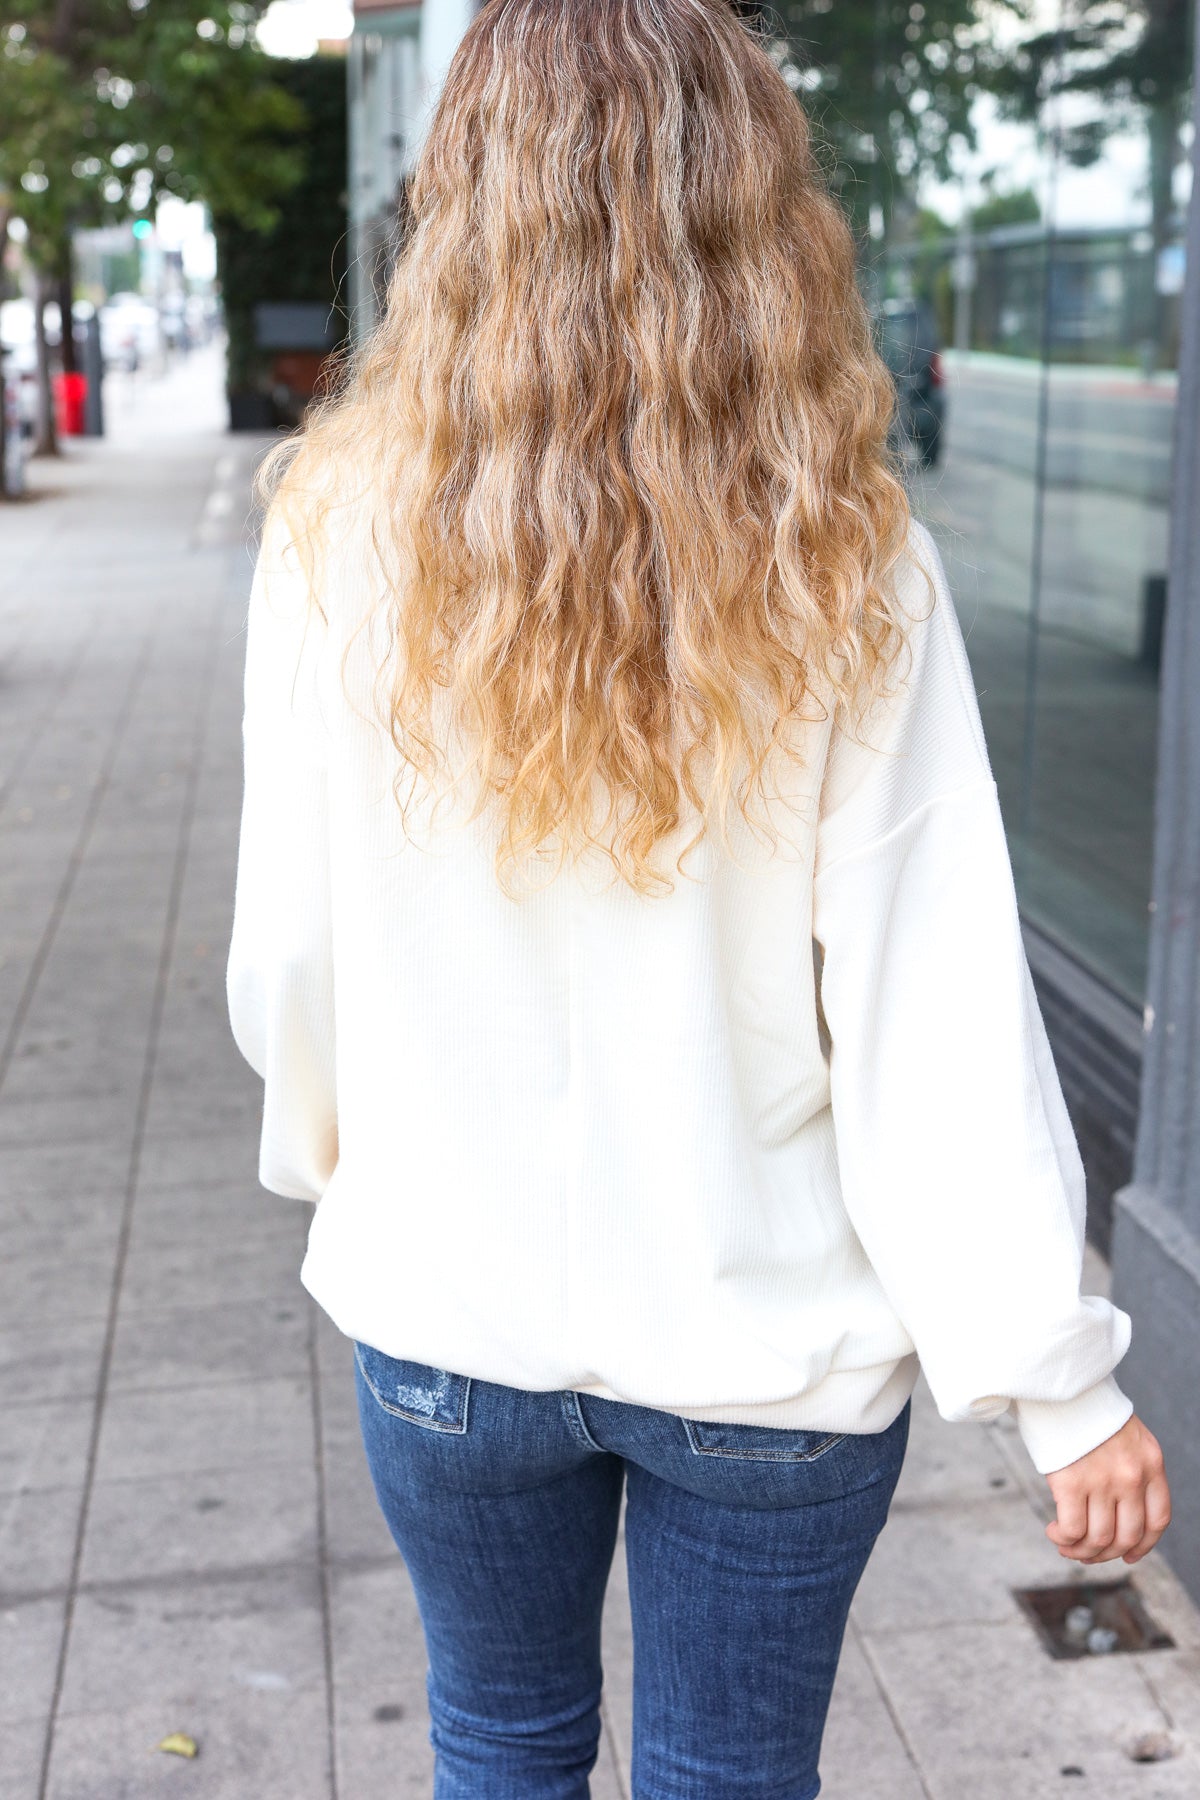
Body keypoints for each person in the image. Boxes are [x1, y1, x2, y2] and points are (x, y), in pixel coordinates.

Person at [224, 2, 1171, 1795]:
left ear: (468, 189)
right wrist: (1058, 1381)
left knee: (498, 1749)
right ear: (753, 198)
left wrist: (342, 1163)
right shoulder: (850, 556)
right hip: (768, 1353)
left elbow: (290, 941)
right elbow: (929, 1000)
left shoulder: (332, 531)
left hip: (450, 1322)